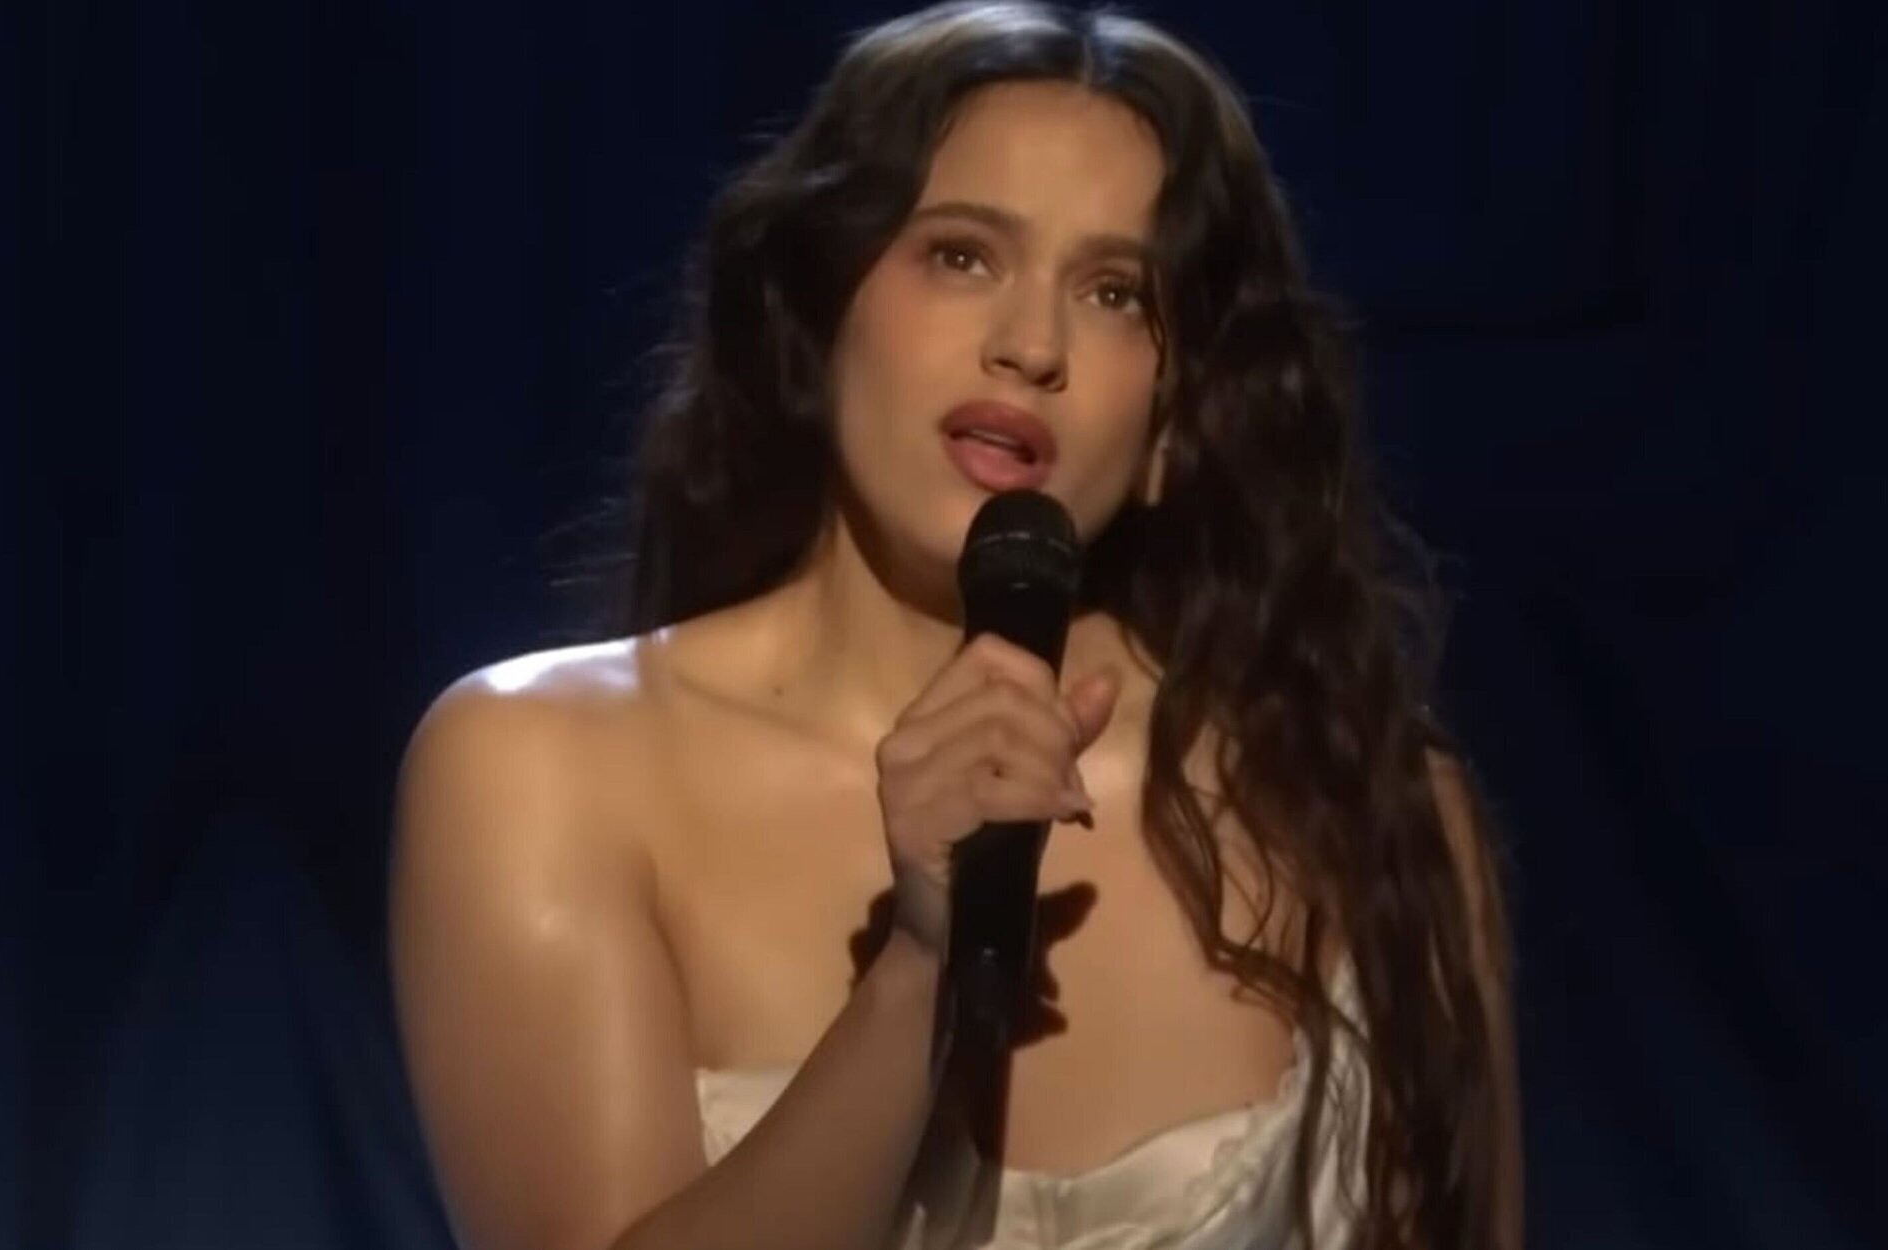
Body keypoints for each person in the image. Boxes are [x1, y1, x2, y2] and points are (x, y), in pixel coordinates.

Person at [388, 3, 1522, 1249]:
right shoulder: (543, 767)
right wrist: (919, 964)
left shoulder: (1357, 804)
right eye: (962, 256)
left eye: (1114, 292)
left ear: (1173, 425)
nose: (1030, 347)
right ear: (817, 315)